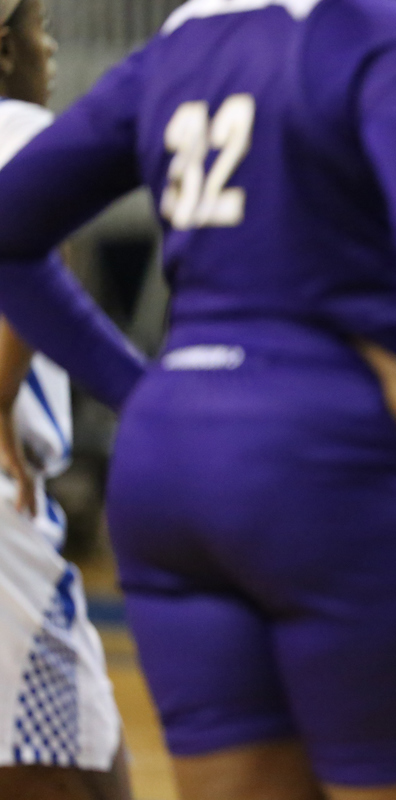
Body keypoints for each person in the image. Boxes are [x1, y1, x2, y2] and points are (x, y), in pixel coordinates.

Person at [0, 1, 396, 799]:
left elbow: (10, 225)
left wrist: (138, 396)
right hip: (334, 460)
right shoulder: (382, 33)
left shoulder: (178, 47)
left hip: (172, 472)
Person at [0, 3, 132, 798]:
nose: (49, 49)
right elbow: (29, 243)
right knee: (87, 778)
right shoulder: (15, 125)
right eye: (38, 28)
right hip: (5, 504)